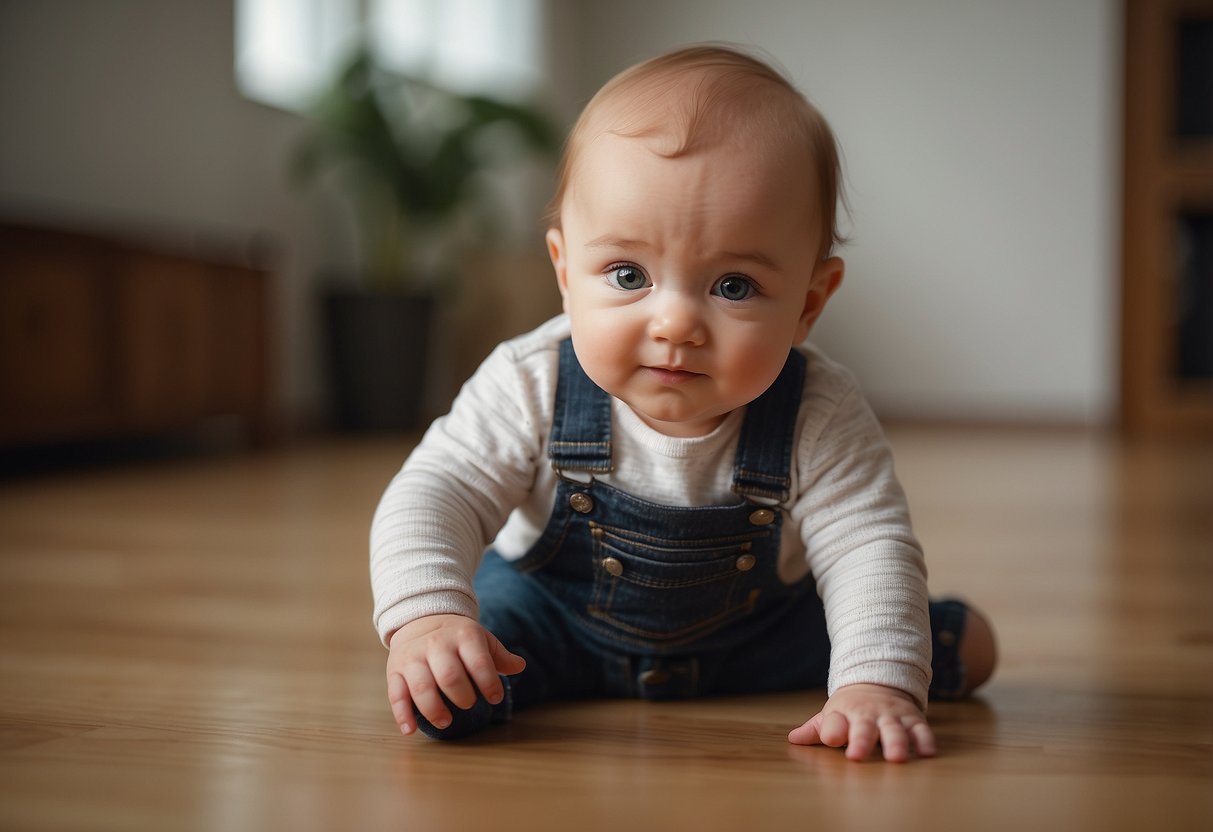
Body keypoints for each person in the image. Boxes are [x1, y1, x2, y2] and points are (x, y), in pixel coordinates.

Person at [370, 43, 996, 762]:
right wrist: (427, 618)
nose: (673, 324)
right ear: (565, 273)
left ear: (808, 304)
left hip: (752, 640)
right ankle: (464, 663)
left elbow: (867, 547)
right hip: (549, 622)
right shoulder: (530, 380)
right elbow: (435, 490)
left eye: (732, 286)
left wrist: (875, 686)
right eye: (627, 273)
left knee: (960, 645)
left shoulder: (817, 410)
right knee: (447, 692)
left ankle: (886, 663)